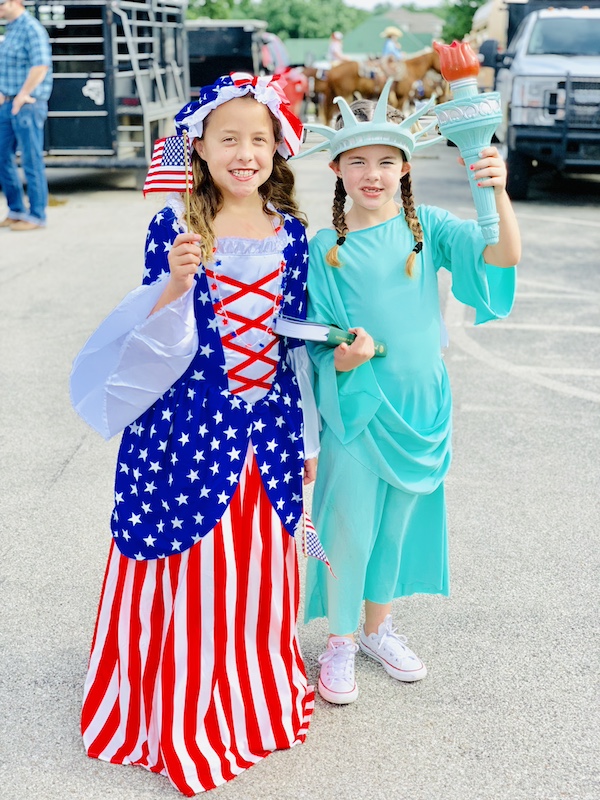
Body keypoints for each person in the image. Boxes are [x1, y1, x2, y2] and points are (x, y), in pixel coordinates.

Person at [70, 73, 318, 794]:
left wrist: (306, 438)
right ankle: (174, 706)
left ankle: (248, 697)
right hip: (186, 424)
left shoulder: (294, 232)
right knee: (190, 562)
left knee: (257, 569)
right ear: (200, 147)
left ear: (278, 148)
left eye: (259, 140)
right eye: (229, 139)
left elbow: (292, 343)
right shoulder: (173, 227)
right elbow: (150, 345)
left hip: (266, 425)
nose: (245, 153)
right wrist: (174, 286)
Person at [296, 82, 520, 704]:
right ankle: (339, 641)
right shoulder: (323, 250)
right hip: (360, 409)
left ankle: (375, 628)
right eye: (359, 161)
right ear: (337, 168)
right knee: (348, 526)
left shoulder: (431, 230)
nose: (374, 174)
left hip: (423, 407)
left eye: (387, 161)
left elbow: (501, 253)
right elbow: (313, 339)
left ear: (406, 166)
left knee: (394, 528)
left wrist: (493, 188)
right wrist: (345, 356)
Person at [0, 0, 53, 231]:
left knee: (31, 160)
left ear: (16, 2)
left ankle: (37, 216)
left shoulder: (32, 28)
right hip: (8, 103)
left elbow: (40, 66)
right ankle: (16, 210)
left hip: (27, 104)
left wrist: (22, 95)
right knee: (3, 157)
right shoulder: (10, 29)